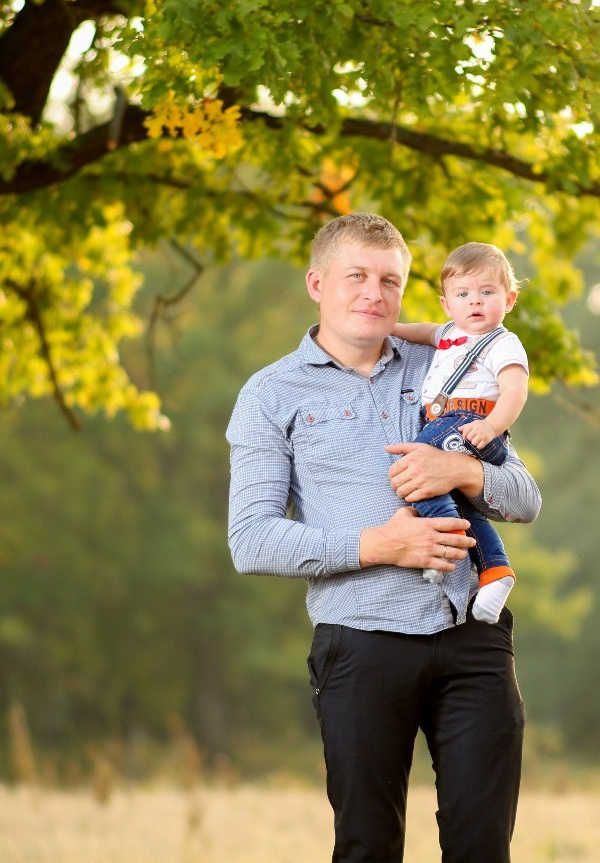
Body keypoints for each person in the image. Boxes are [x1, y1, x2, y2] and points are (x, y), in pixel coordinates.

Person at [226, 212, 541, 863]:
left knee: (483, 848)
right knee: (368, 847)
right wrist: (380, 544)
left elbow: (525, 498)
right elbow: (251, 539)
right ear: (318, 282)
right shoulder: (270, 394)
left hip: (472, 639)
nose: (374, 292)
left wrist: (464, 471)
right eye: (357, 276)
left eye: (390, 280)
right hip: (361, 644)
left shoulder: (450, 361)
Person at [392, 242, 529, 625]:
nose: (476, 302)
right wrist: (391, 329)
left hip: (474, 423)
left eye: (487, 293)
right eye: (463, 294)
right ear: (446, 304)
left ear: (510, 299)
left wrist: (491, 426)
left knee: (413, 464)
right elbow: (424, 332)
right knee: (458, 501)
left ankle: (445, 549)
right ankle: (495, 571)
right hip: (448, 423)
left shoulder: (502, 343)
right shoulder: (451, 332)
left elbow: (516, 390)